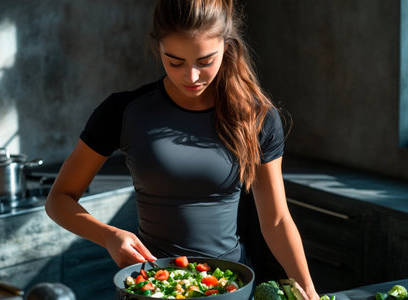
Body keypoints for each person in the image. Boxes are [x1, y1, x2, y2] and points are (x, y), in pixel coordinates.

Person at [45, 0, 319, 299]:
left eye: (205, 61)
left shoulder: (258, 118)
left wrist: (308, 289)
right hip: (151, 287)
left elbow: (276, 220)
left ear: (226, 47)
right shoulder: (123, 111)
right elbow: (59, 199)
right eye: (175, 62)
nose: (191, 77)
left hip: (230, 288)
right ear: (157, 48)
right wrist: (109, 236)